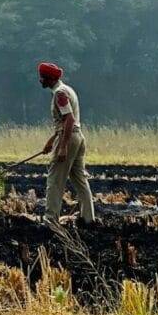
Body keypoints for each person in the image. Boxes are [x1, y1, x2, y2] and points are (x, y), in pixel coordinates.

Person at [38, 62, 95, 225]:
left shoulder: (60, 94)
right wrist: (51, 141)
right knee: (80, 179)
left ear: (48, 78)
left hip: (68, 139)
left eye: (42, 78)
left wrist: (62, 146)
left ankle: (51, 220)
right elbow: (66, 121)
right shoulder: (67, 90)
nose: (40, 81)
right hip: (78, 137)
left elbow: (69, 119)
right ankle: (89, 219)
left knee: (55, 180)